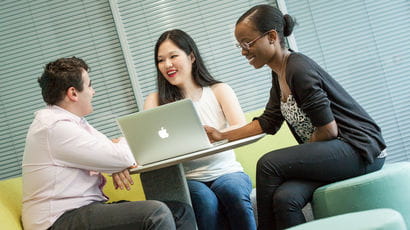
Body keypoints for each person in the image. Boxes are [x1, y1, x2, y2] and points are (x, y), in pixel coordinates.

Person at [205, 4, 387, 230]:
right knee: (285, 198)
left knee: (268, 164)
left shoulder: (297, 69)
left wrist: (303, 156)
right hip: (336, 151)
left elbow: (329, 130)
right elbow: (267, 122)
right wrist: (221, 135)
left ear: (271, 36)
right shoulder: (279, 71)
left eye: (247, 43)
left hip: (359, 148)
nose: (243, 51)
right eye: (239, 45)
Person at [22, 57, 195, 230]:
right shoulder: (55, 127)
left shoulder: (74, 123)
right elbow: (122, 156)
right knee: (156, 214)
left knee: (179, 211)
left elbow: (114, 155)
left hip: (82, 210)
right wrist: (119, 156)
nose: (93, 91)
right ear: (73, 93)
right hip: (57, 221)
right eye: (89, 85)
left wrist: (116, 159)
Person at [144, 29, 257, 230]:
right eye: (160, 60)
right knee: (205, 200)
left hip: (227, 172)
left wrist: (219, 134)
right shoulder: (155, 101)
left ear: (191, 56)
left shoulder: (219, 90)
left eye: (173, 56)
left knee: (233, 192)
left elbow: (241, 129)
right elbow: (147, 143)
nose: (167, 64)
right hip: (189, 179)